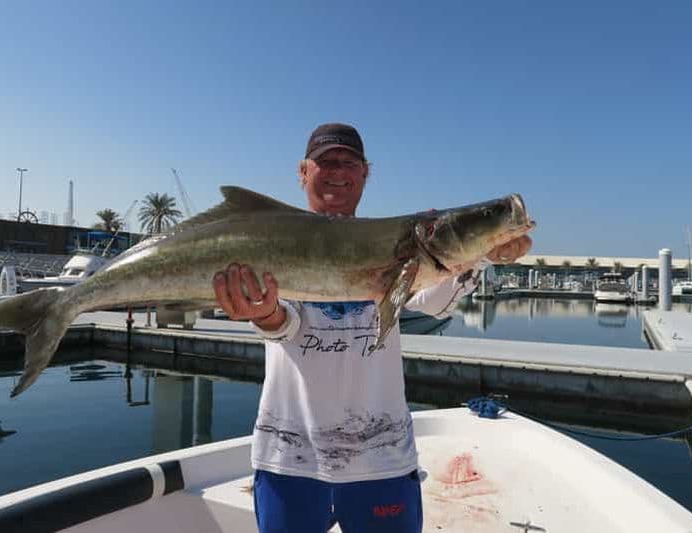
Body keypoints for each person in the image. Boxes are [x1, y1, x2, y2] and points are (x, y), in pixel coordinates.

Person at [212, 123, 532, 533]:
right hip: (289, 461)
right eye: (325, 161)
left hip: (383, 462)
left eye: (349, 162)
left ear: (366, 173)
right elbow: (284, 325)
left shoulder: (397, 247)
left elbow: (434, 302)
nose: (337, 170)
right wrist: (264, 313)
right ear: (303, 172)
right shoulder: (274, 241)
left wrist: (484, 256)